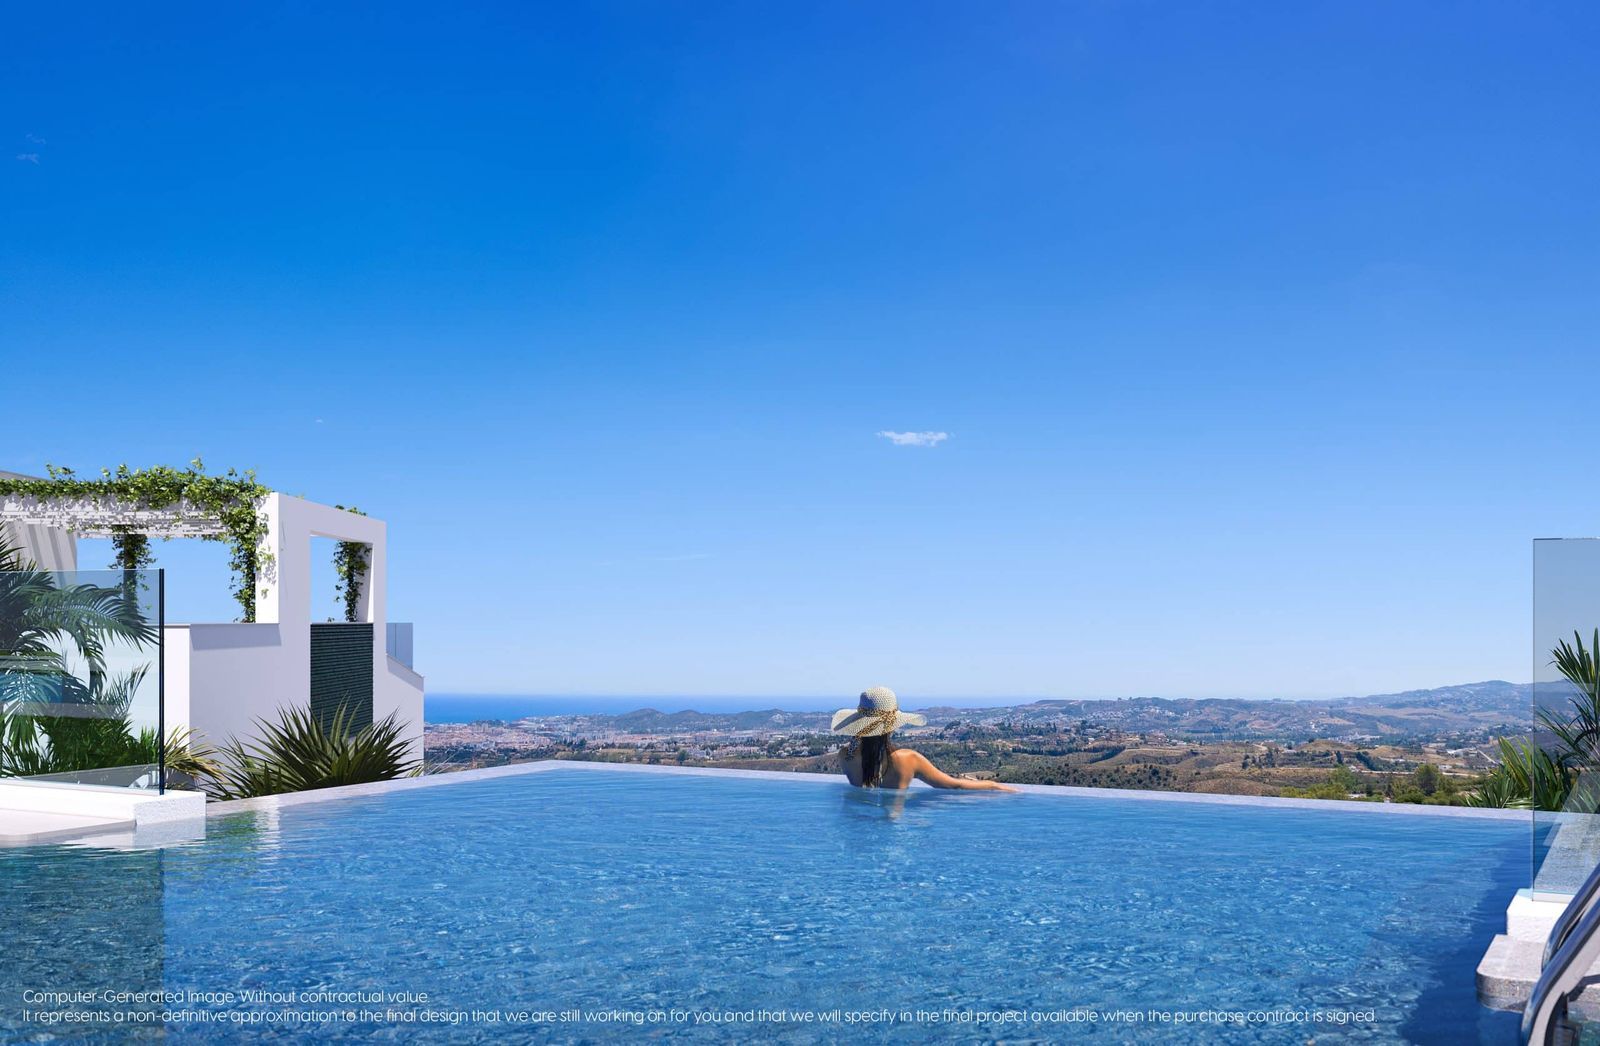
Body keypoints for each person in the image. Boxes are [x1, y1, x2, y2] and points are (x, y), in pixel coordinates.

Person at [833, 687, 1018, 792]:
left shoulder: (845, 756)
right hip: (891, 831)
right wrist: (994, 785)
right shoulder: (908, 759)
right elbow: (955, 785)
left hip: (856, 829)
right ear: (893, 724)